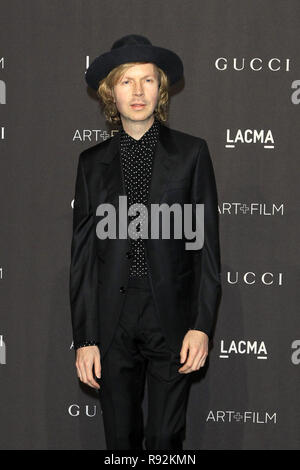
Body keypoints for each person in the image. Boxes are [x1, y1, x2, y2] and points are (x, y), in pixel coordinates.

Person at [69, 34, 222, 450]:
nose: (138, 92)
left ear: (161, 89)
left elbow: (207, 247)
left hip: (171, 317)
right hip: (111, 321)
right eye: (126, 82)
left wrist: (202, 326)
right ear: (110, 93)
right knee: (120, 440)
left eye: (148, 80)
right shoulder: (90, 164)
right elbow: (83, 260)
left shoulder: (192, 154)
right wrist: (85, 338)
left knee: (165, 440)